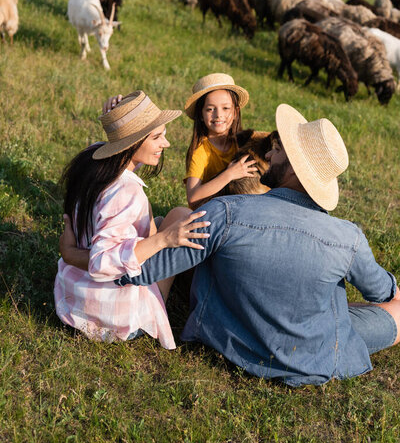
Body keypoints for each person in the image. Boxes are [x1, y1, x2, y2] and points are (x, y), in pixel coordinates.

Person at [59, 103, 400, 386]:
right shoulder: (348, 237)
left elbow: (142, 270)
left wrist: (76, 253)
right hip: (312, 353)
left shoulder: (224, 212)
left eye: (279, 150)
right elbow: (383, 291)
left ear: (295, 170)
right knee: (392, 308)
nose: (271, 151)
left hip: (230, 342)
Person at [54, 90, 209, 349]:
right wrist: (165, 239)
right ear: (133, 142)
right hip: (113, 318)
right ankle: (170, 304)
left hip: (74, 297)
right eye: (157, 137)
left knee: (169, 217)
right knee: (180, 220)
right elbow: (103, 260)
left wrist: (115, 121)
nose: (166, 144)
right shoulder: (126, 192)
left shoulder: (92, 160)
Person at [184, 72, 258, 208]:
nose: (218, 115)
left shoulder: (242, 143)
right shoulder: (200, 152)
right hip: (211, 214)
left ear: (235, 112)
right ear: (200, 114)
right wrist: (229, 174)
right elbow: (192, 197)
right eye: (210, 109)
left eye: (225, 108)